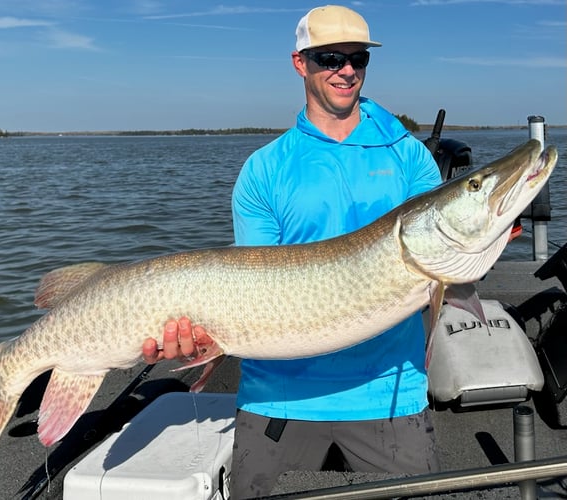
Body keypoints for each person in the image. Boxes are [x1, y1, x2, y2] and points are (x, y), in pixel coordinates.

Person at [142, 5, 442, 498]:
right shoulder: (265, 170)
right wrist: (202, 340)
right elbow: (254, 295)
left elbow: (445, 270)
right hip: (279, 402)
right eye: (330, 57)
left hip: (390, 395)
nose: (347, 70)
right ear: (300, 63)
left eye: (358, 58)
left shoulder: (409, 157)